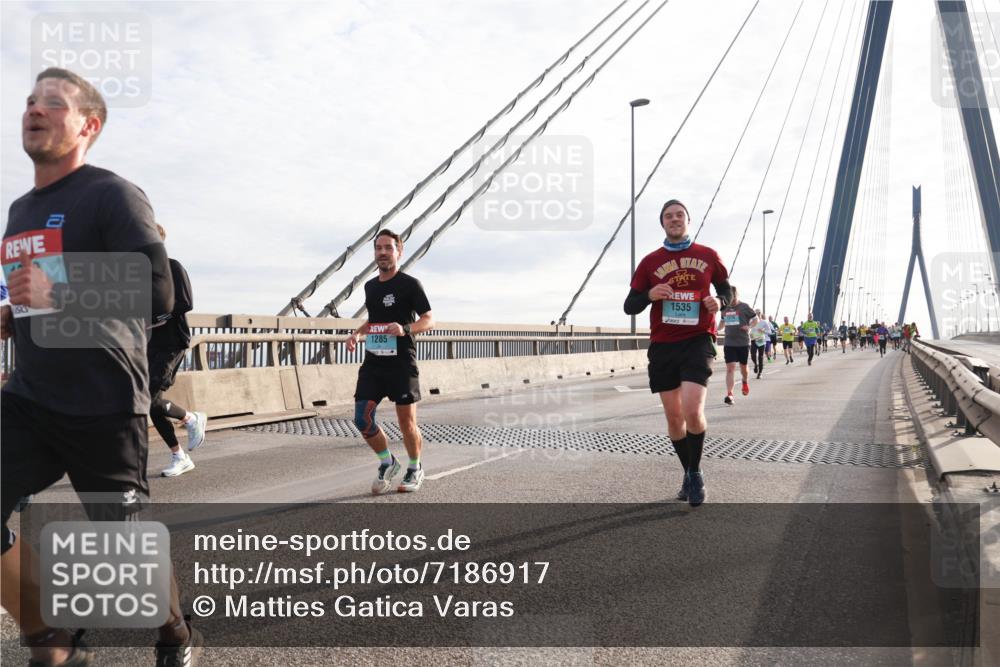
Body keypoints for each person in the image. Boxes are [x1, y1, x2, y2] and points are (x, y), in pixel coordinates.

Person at [1, 68, 202, 665]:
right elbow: (30, 296)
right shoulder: (18, 210)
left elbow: (158, 291)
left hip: (104, 402)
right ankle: (50, 636)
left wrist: (55, 289)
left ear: (87, 126)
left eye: (53, 103)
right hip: (30, 398)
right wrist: (12, 314)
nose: (35, 109)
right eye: (31, 100)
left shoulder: (113, 194)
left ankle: (175, 631)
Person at [624, 199, 731, 507]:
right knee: (674, 418)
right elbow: (630, 305)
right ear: (662, 223)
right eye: (668, 216)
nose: (674, 220)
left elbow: (727, 289)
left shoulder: (708, 256)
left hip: (698, 339)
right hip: (663, 345)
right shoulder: (649, 262)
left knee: (692, 410)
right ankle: (688, 472)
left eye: (679, 215)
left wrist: (719, 302)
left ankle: (695, 474)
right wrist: (649, 295)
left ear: (687, 220)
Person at [347, 229, 434, 494]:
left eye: (388, 248)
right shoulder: (370, 286)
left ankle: (415, 467)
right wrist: (357, 334)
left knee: (406, 422)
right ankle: (388, 462)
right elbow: (374, 319)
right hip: (374, 362)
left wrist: (405, 328)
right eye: (378, 248)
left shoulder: (410, 284)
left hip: (401, 363)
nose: (383, 252)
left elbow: (429, 319)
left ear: (399, 252)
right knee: (362, 418)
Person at [148, 224, 207, 478]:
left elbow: (186, 302)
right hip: (149, 344)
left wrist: (158, 316)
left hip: (172, 342)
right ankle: (180, 454)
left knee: (147, 400)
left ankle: (191, 419)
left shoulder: (172, 267)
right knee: (150, 404)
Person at [718, 286, 757, 404]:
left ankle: (745, 381)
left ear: (736, 295)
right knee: (730, 368)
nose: (731, 301)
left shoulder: (745, 307)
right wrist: (716, 330)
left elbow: (756, 319)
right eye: (729, 298)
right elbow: (723, 321)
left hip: (743, 342)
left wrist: (749, 327)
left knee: (743, 367)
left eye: (733, 298)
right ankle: (730, 394)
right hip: (729, 342)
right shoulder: (725, 308)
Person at [750, 311, 770, 379]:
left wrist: (763, 331)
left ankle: (760, 373)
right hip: (753, 340)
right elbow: (748, 329)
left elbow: (769, 331)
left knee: (760, 357)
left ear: (760, 315)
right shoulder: (751, 321)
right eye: (756, 314)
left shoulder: (764, 322)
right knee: (753, 355)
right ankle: (756, 365)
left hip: (761, 340)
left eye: (758, 314)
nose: (757, 315)